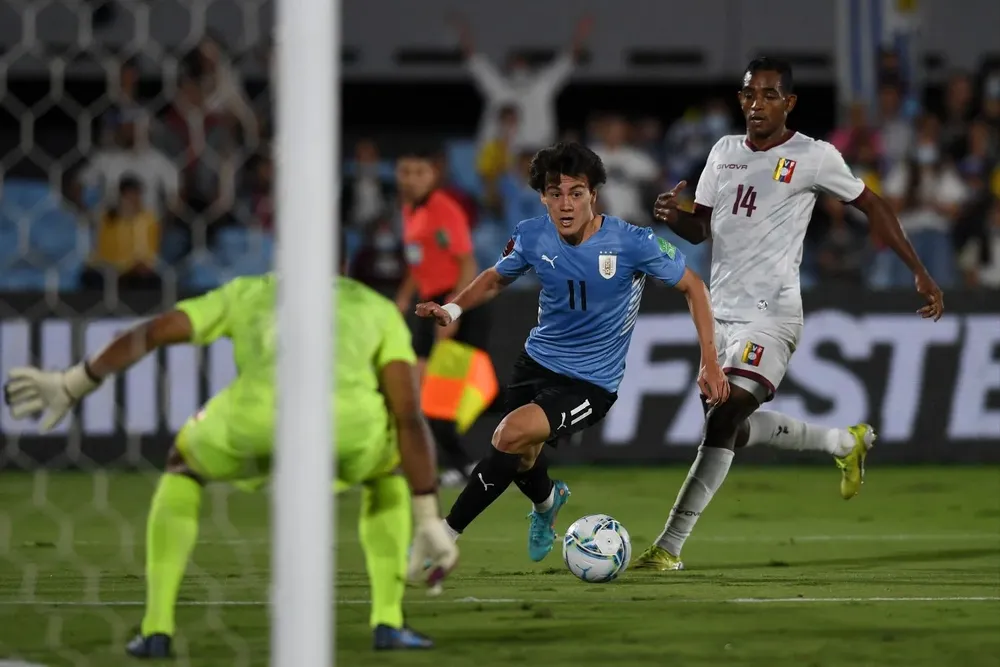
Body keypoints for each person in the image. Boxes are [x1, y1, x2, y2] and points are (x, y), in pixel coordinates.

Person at [3, 273, 458, 657]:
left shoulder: (249, 290)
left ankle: (156, 629)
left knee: (183, 463)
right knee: (389, 468)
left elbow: (155, 330)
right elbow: (407, 413)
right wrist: (428, 515)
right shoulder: (375, 307)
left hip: (254, 421)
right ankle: (387, 620)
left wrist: (74, 382)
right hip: (346, 428)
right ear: (340, 262)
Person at [633, 57, 945, 572]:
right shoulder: (724, 152)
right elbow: (702, 229)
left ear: (790, 102)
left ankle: (668, 546)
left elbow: (876, 206)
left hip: (773, 315)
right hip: (721, 314)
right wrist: (673, 217)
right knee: (731, 425)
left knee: (726, 414)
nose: (757, 104)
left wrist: (919, 270)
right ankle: (843, 442)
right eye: (749, 94)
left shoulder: (814, 156)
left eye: (769, 95)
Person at [410, 142, 728, 564]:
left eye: (576, 193)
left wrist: (709, 359)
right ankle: (547, 504)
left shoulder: (630, 242)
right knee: (521, 456)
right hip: (536, 362)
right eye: (554, 193)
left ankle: (445, 536)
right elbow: (494, 278)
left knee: (508, 435)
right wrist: (452, 309)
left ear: (593, 195)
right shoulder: (531, 234)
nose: (565, 204)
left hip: (591, 382)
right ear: (542, 196)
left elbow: (694, 286)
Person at [394, 147, 490, 484]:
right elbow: (418, 259)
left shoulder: (444, 209)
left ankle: (464, 466)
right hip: (428, 302)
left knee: (442, 395)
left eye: (419, 172)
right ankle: (422, 461)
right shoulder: (409, 209)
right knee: (419, 388)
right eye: (406, 171)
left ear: (433, 175)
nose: (412, 179)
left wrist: (454, 310)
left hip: (454, 303)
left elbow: (468, 264)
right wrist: (405, 296)